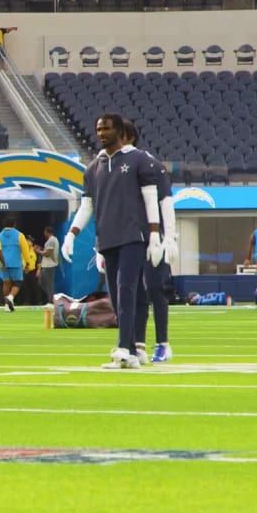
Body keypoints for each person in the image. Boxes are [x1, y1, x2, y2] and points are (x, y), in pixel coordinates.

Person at [63, 114, 164, 369]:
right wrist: (71, 234)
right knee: (117, 295)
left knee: (126, 288)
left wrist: (154, 234)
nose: (101, 133)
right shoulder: (93, 168)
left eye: (106, 129)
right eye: (98, 129)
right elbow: (87, 205)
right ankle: (130, 350)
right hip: (107, 238)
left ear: (119, 131)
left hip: (133, 235)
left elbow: (151, 198)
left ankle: (123, 348)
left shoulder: (139, 160)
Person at [123, 121, 177, 363]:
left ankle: (163, 344)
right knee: (135, 293)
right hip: (130, 238)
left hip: (154, 238)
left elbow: (165, 200)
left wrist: (169, 237)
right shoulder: (115, 166)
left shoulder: (150, 164)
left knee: (155, 288)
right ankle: (138, 345)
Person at [0, 217, 29, 312]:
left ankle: (6, 306)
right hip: (15, 262)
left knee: (6, 283)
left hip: (3, 263)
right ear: (14, 224)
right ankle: (11, 297)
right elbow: (25, 250)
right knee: (18, 282)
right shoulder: (19, 235)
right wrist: (27, 263)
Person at [39, 226, 60, 309]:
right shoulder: (52, 240)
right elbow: (47, 251)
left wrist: (38, 251)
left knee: (49, 284)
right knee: (42, 282)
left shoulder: (51, 240)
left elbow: (48, 253)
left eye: (45, 232)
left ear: (47, 232)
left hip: (49, 265)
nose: (44, 233)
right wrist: (41, 250)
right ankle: (50, 297)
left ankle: (51, 301)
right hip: (46, 265)